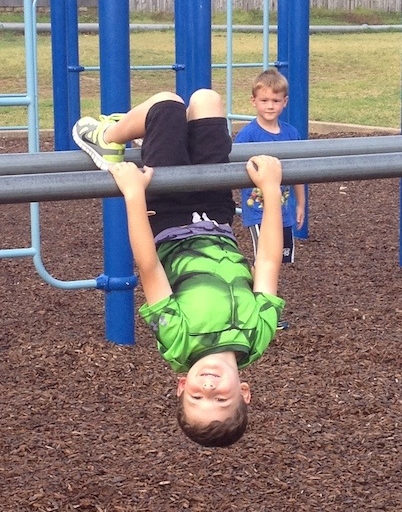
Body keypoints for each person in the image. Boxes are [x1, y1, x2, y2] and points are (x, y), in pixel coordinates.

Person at [73, 89, 285, 447]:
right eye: (220, 398)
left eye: (197, 397)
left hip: (168, 215)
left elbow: (150, 267)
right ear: (244, 392)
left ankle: (105, 138)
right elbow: (266, 261)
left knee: (167, 106)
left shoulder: (178, 341)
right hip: (215, 215)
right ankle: (146, 134)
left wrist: (134, 195)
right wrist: (271, 189)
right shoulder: (258, 336)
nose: (209, 387)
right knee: (207, 101)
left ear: (182, 385)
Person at [235, 68, 305, 330]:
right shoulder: (248, 136)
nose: (270, 106)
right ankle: (256, 311)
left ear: (285, 102)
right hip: (258, 212)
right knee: (263, 260)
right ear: (254, 101)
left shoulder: (290, 133)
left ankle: (260, 304)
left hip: (282, 209)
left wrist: (300, 203)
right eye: (264, 100)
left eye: (276, 101)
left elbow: (300, 171)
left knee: (277, 261)